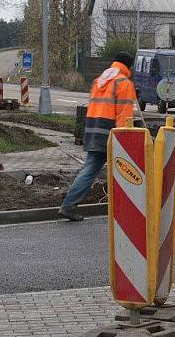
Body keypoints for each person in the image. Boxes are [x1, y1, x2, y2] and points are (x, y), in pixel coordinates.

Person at [58, 52, 137, 221]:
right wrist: (126, 138)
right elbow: (124, 115)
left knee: (90, 167)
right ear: (129, 66)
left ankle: (69, 198)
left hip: (93, 129)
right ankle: (69, 203)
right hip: (110, 132)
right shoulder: (124, 83)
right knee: (124, 169)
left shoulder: (100, 80)